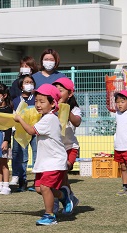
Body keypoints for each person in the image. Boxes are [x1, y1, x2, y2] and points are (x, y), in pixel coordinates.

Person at [13, 84, 73, 225]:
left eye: (42, 101)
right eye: (36, 101)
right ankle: (64, 195)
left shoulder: (49, 119)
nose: (38, 105)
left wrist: (20, 119)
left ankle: (50, 215)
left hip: (54, 161)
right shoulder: (45, 117)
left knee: (45, 187)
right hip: (46, 161)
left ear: (53, 104)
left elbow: (31, 131)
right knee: (40, 189)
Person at [51, 77, 81, 213]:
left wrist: (66, 110)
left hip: (70, 148)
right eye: (55, 90)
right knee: (61, 177)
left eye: (60, 90)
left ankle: (59, 201)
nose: (57, 92)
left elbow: (77, 122)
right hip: (55, 149)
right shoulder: (51, 109)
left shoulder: (74, 109)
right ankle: (68, 198)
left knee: (61, 174)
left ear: (70, 94)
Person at [10, 74, 37, 192]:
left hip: (36, 131)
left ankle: (38, 181)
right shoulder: (15, 101)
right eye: (26, 82)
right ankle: (22, 181)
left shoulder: (37, 98)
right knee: (22, 157)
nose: (29, 84)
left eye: (31, 82)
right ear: (21, 85)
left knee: (37, 155)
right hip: (20, 132)